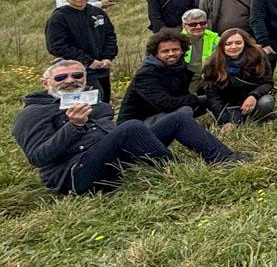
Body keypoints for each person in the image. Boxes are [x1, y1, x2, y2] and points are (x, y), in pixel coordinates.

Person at [14, 59, 244, 194]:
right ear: (45, 83)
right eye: (61, 78)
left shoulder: (97, 104)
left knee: (178, 118)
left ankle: (223, 158)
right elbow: (38, 157)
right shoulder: (34, 113)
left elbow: (110, 137)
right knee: (131, 127)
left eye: (77, 75)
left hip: (113, 161)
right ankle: (178, 172)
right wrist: (73, 126)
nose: (70, 81)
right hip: (75, 175)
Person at [47, 0, 119, 102]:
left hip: (102, 67)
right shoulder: (59, 17)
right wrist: (88, 61)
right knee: (86, 102)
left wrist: (108, 57)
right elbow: (56, 46)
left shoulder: (97, 12)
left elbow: (110, 36)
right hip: (76, 70)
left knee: (104, 100)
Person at [117, 30, 209, 123]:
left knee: (206, 101)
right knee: (184, 110)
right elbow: (165, 103)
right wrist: (194, 99)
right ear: (156, 53)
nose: (171, 54)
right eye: (165, 51)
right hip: (135, 124)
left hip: (160, 115)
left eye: (175, 49)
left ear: (182, 50)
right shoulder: (146, 74)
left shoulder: (181, 68)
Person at [200, 29, 276, 127]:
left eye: (238, 43)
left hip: (253, 100)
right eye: (228, 44)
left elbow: (268, 82)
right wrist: (224, 121)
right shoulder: (213, 63)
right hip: (228, 104)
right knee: (231, 122)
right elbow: (212, 95)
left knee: (266, 102)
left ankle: (258, 119)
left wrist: (253, 96)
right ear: (222, 45)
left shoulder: (258, 56)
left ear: (245, 43)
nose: (233, 47)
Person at [180, 8, 219, 80]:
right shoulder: (178, 41)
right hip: (185, 77)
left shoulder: (215, 39)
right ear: (184, 25)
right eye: (193, 24)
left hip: (209, 77)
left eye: (202, 23)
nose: (198, 27)